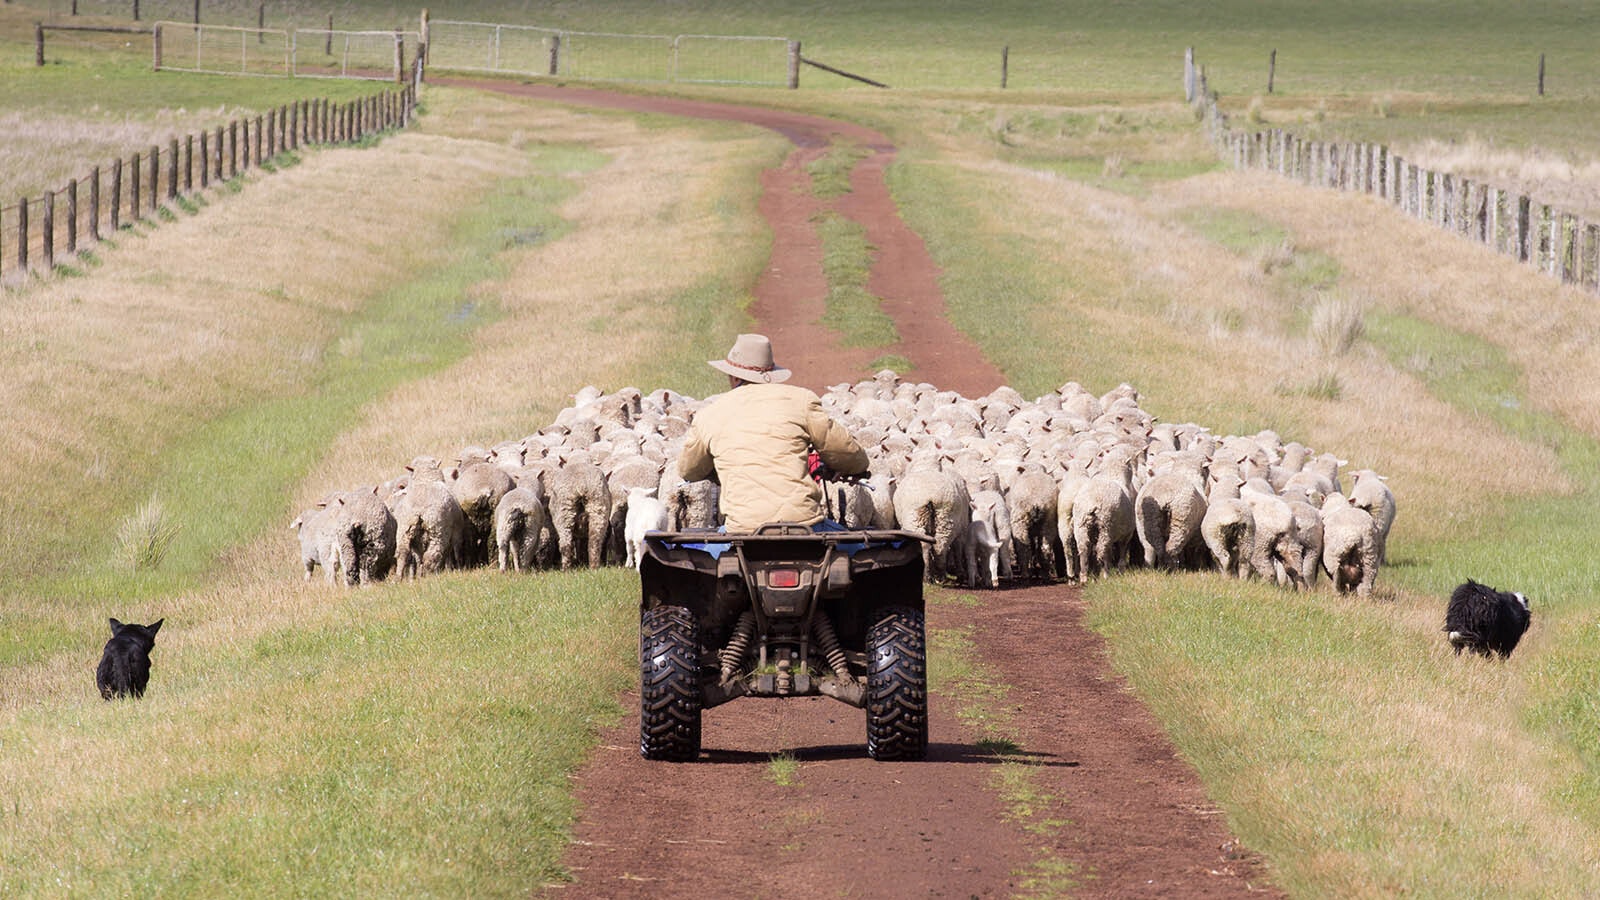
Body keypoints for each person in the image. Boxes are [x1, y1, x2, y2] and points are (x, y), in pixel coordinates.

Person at [678, 334, 869, 533]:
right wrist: (854, 467)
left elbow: (689, 470)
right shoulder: (801, 401)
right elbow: (845, 451)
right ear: (770, 372)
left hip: (742, 532)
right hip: (805, 527)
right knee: (860, 548)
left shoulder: (710, 414)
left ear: (734, 376)